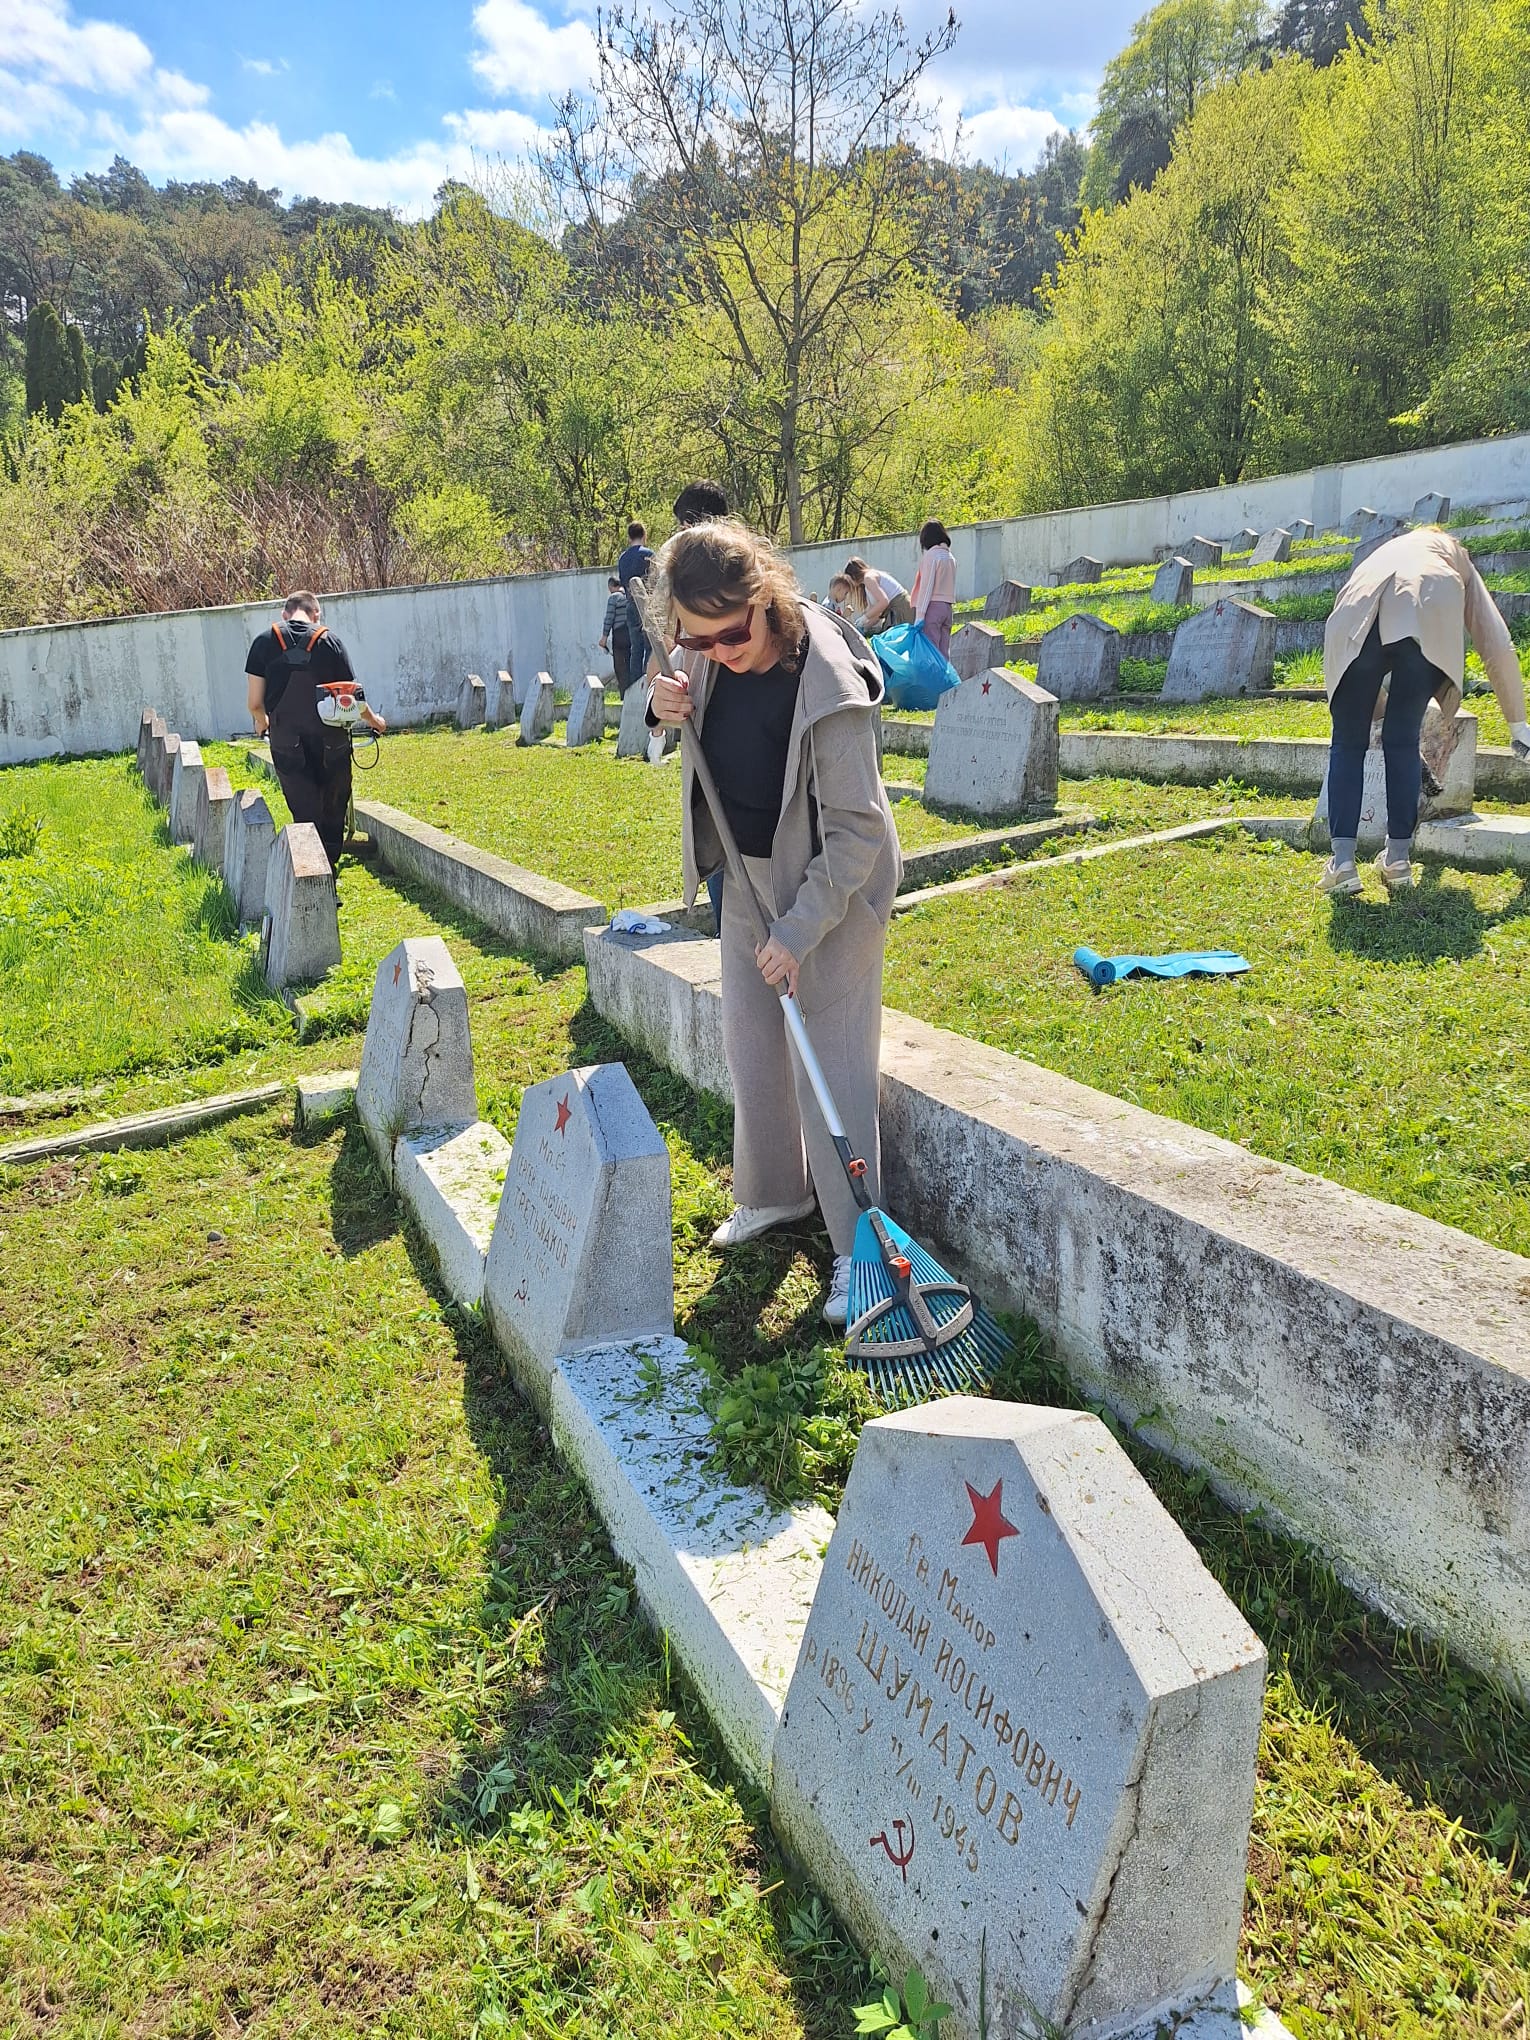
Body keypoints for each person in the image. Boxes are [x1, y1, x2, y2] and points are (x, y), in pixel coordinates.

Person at [647, 520, 901, 1328]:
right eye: (697, 638)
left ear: (765, 596)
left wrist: (795, 936)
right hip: (748, 874)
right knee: (753, 1042)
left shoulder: (826, 681)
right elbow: (665, 701)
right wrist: (658, 706)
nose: (716, 652)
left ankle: (860, 1247)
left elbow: (858, 834)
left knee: (833, 1061)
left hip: (832, 890)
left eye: (731, 634)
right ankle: (774, 1193)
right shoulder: (703, 651)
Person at [1319, 526, 1530, 896]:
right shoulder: (1453, 557)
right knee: (1402, 741)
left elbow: (1351, 630)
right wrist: (1518, 724)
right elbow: (1494, 639)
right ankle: (1398, 861)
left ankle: (1343, 865)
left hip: (1355, 618)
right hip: (1428, 610)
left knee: (1347, 744)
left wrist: (1371, 711)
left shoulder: (1383, 552)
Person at [245, 592, 384, 871]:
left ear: (285, 614)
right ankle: (329, 866)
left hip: (287, 742)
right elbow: (351, 698)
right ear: (316, 614)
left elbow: (255, 704)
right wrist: (375, 721)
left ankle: (312, 872)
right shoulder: (330, 641)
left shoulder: (263, 642)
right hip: (331, 742)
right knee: (333, 806)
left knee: (304, 809)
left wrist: (262, 722)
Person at [910, 519, 957, 659]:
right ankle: (946, 673)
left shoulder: (931, 556)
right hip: (947, 608)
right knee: (944, 653)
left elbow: (927, 587)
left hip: (932, 608)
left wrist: (920, 616)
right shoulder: (950, 557)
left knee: (931, 652)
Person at [617, 520, 656, 682]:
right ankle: (648, 678)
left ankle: (634, 681)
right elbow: (656, 580)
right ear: (644, 535)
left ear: (629, 537)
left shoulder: (622, 558)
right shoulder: (649, 554)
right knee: (650, 644)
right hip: (647, 604)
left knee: (636, 646)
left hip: (630, 604)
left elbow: (622, 580)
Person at [839, 556, 913, 632]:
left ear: (853, 575)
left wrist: (864, 617)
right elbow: (877, 614)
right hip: (900, 608)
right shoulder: (868, 581)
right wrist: (862, 627)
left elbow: (884, 602)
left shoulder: (868, 578)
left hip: (902, 610)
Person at [599, 575, 632, 693]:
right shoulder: (629, 595)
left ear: (611, 586)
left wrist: (604, 637)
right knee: (631, 664)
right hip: (631, 634)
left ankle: (624, 694)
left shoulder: (614, 597)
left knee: (620, 666)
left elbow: (609, 618)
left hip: (619, 634)